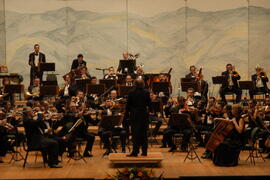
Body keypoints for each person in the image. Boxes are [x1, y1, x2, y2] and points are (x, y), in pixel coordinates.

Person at [126, 78, 151, 156]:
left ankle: (135, 151)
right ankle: (144, 152)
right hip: (143, 115)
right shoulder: (146, 92)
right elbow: (149, 104)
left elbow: (128, 105)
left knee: (135, 134)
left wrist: (127, 114)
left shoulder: (131, 93)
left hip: (134, 115)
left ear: (134, 84)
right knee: (144, 134)